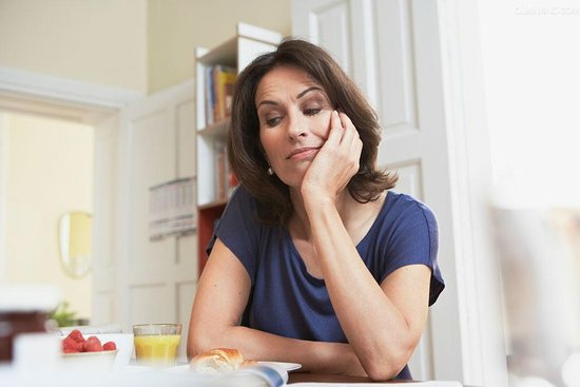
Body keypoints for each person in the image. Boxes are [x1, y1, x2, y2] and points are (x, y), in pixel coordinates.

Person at [187, 38, 444, 381]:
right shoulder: (249, 209)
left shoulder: (409, 221)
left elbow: (384, 359)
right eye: (273, 118)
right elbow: (205, 341)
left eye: (312, 109)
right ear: (261, 146)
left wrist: (319, 198)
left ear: (347, 122)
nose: (295, 129)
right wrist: (345, 356)